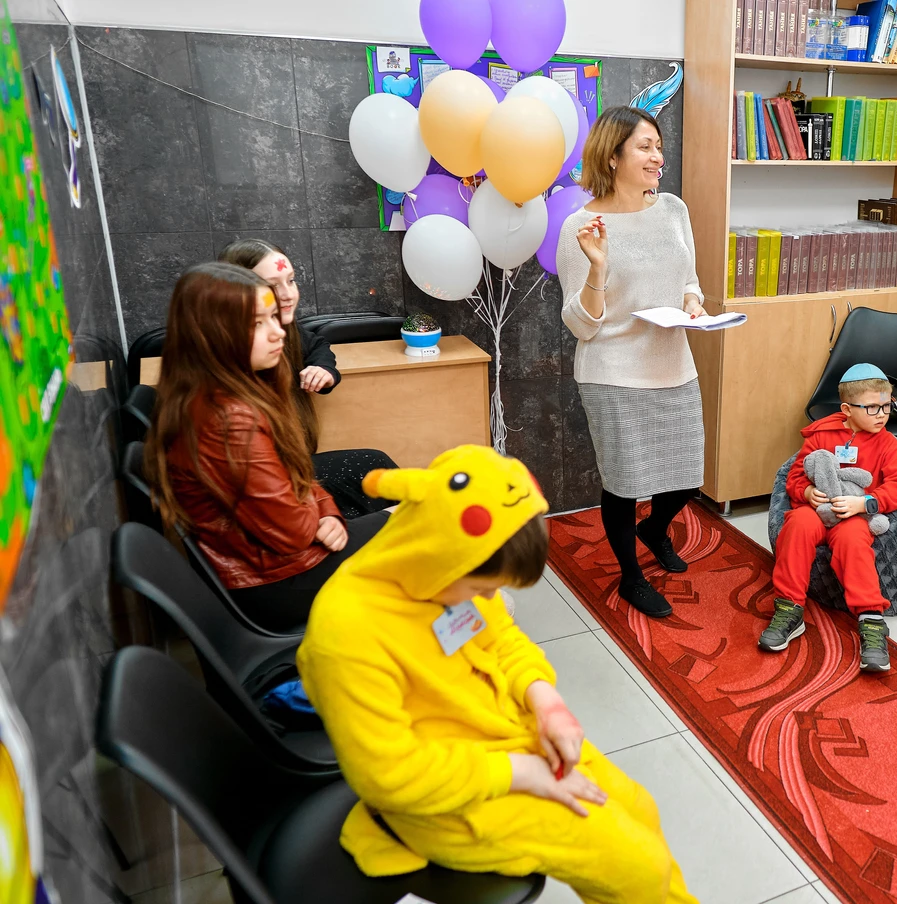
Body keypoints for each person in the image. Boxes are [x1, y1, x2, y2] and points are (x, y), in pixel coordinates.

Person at [297, 446, 699, 904]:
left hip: (503, 738)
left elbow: (502, 638)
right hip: (446, 797)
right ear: (442, 556)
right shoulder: (345, 633)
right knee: (638, 868)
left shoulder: (444, 571)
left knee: (641, 808)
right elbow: (390, 775)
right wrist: (521, 772)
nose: (489, 598)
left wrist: (544, 699)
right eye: (482, 587)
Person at [142, 263, 389, 634]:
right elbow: (294, 530)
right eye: (257, 324)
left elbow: (294, 474)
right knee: (431, 520)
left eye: (274, 318)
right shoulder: (228, 419)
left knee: (397, 493)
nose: (278, 333)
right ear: (212, 333)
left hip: (269, 566)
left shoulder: (214, 390)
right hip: (276, 583)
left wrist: (328, 513)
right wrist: (320, 515)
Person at [557, 106, 706, 620]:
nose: (657, 156)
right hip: (613, 371)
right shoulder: (581, 227)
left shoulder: (673, 209)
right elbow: (581, 324)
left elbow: (688, 278)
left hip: (674, 363)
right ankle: (630, 577)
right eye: (645, 147)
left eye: (658, 146)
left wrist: (692, 302)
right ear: (613, 156)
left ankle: (655, 529)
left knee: (686, 477)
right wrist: (598, 269)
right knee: (624, 482)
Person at [219, 239, 396, 519]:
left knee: (379, 472)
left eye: (291, 281)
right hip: (263, 495)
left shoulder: (286, 329)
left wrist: (323, 369)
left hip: (285, 472)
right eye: (272, 285)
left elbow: (316, 345)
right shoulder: (225, 374)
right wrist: (323, 519)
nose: (288, 294)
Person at [758, 364, 897, 672]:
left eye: (887, 406)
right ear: (847, 409)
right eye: (872, 408)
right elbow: (795, 475)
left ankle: (871, 619)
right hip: (818, 510)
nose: (882, 415)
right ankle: (789, 608)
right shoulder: (821, 435)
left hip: (855, 513)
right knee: (797, 525)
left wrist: (866, 503)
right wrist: (806, 492)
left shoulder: (887, 443)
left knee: (852, 540)